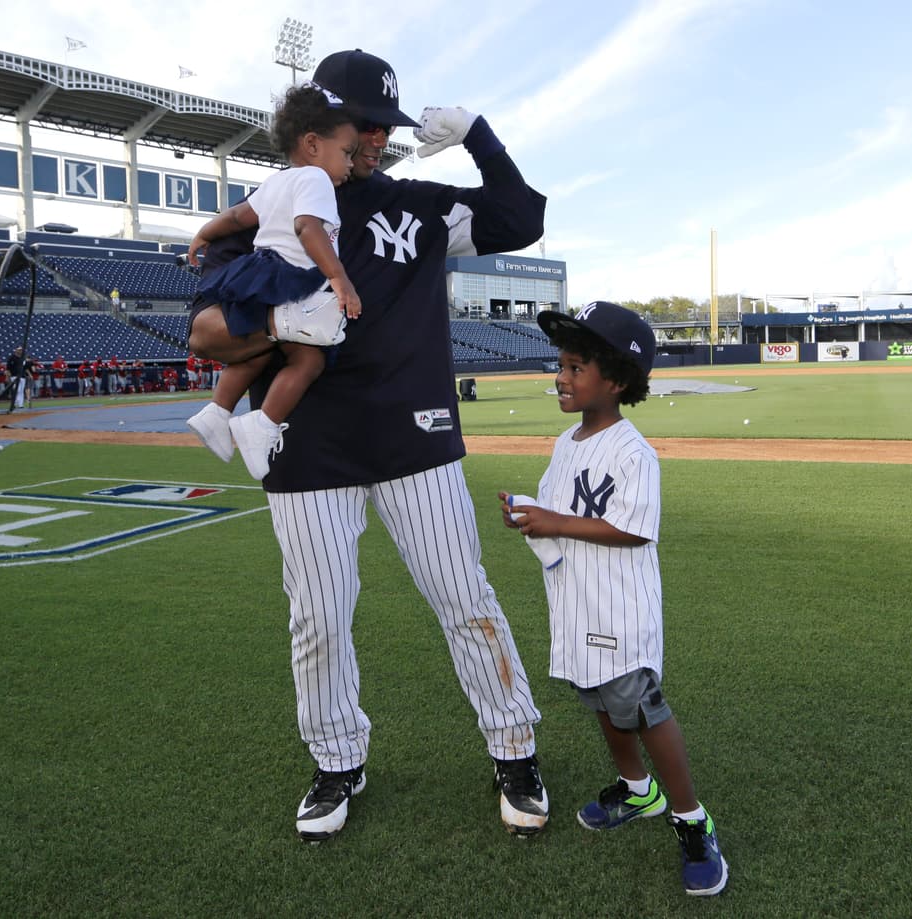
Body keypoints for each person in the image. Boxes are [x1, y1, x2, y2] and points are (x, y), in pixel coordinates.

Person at [187, 50, 549, 842]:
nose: (379, 138)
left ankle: (514, 746)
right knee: (317, 615)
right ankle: (336, 759)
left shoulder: (415, 207)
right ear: (321, 125)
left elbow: (521, 219)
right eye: (366, 123)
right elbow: (207, 328)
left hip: (412, 435)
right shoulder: (271, 204)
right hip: (304, 441)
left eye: (387, 126)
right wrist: (282, 324)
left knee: (465, 597)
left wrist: (479, 136)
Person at [501, 302, 728, 897]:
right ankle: (637, 789)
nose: (562, 377)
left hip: (618, 606)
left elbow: (633, 528)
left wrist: (551, 519)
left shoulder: (633, 452)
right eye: (561, 365)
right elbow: (559, 511)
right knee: (598, 697)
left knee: (641, 706)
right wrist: (530, 515)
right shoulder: (567, 441)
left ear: (618, 381)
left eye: (577, 367)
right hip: (575, 601)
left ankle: (691, 819)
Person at [184, 83, 361, 481]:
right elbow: (306, 227)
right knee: (310, 358)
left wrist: (204, 233)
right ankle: (260, 424)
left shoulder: (279, 181)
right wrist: (339, 276)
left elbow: (236, 218)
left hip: (262, 270)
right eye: (346, 152)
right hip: (291, 275)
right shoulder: (316, 180)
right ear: (313, 144)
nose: (350, 164)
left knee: (256, 347)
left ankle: (217, 412)